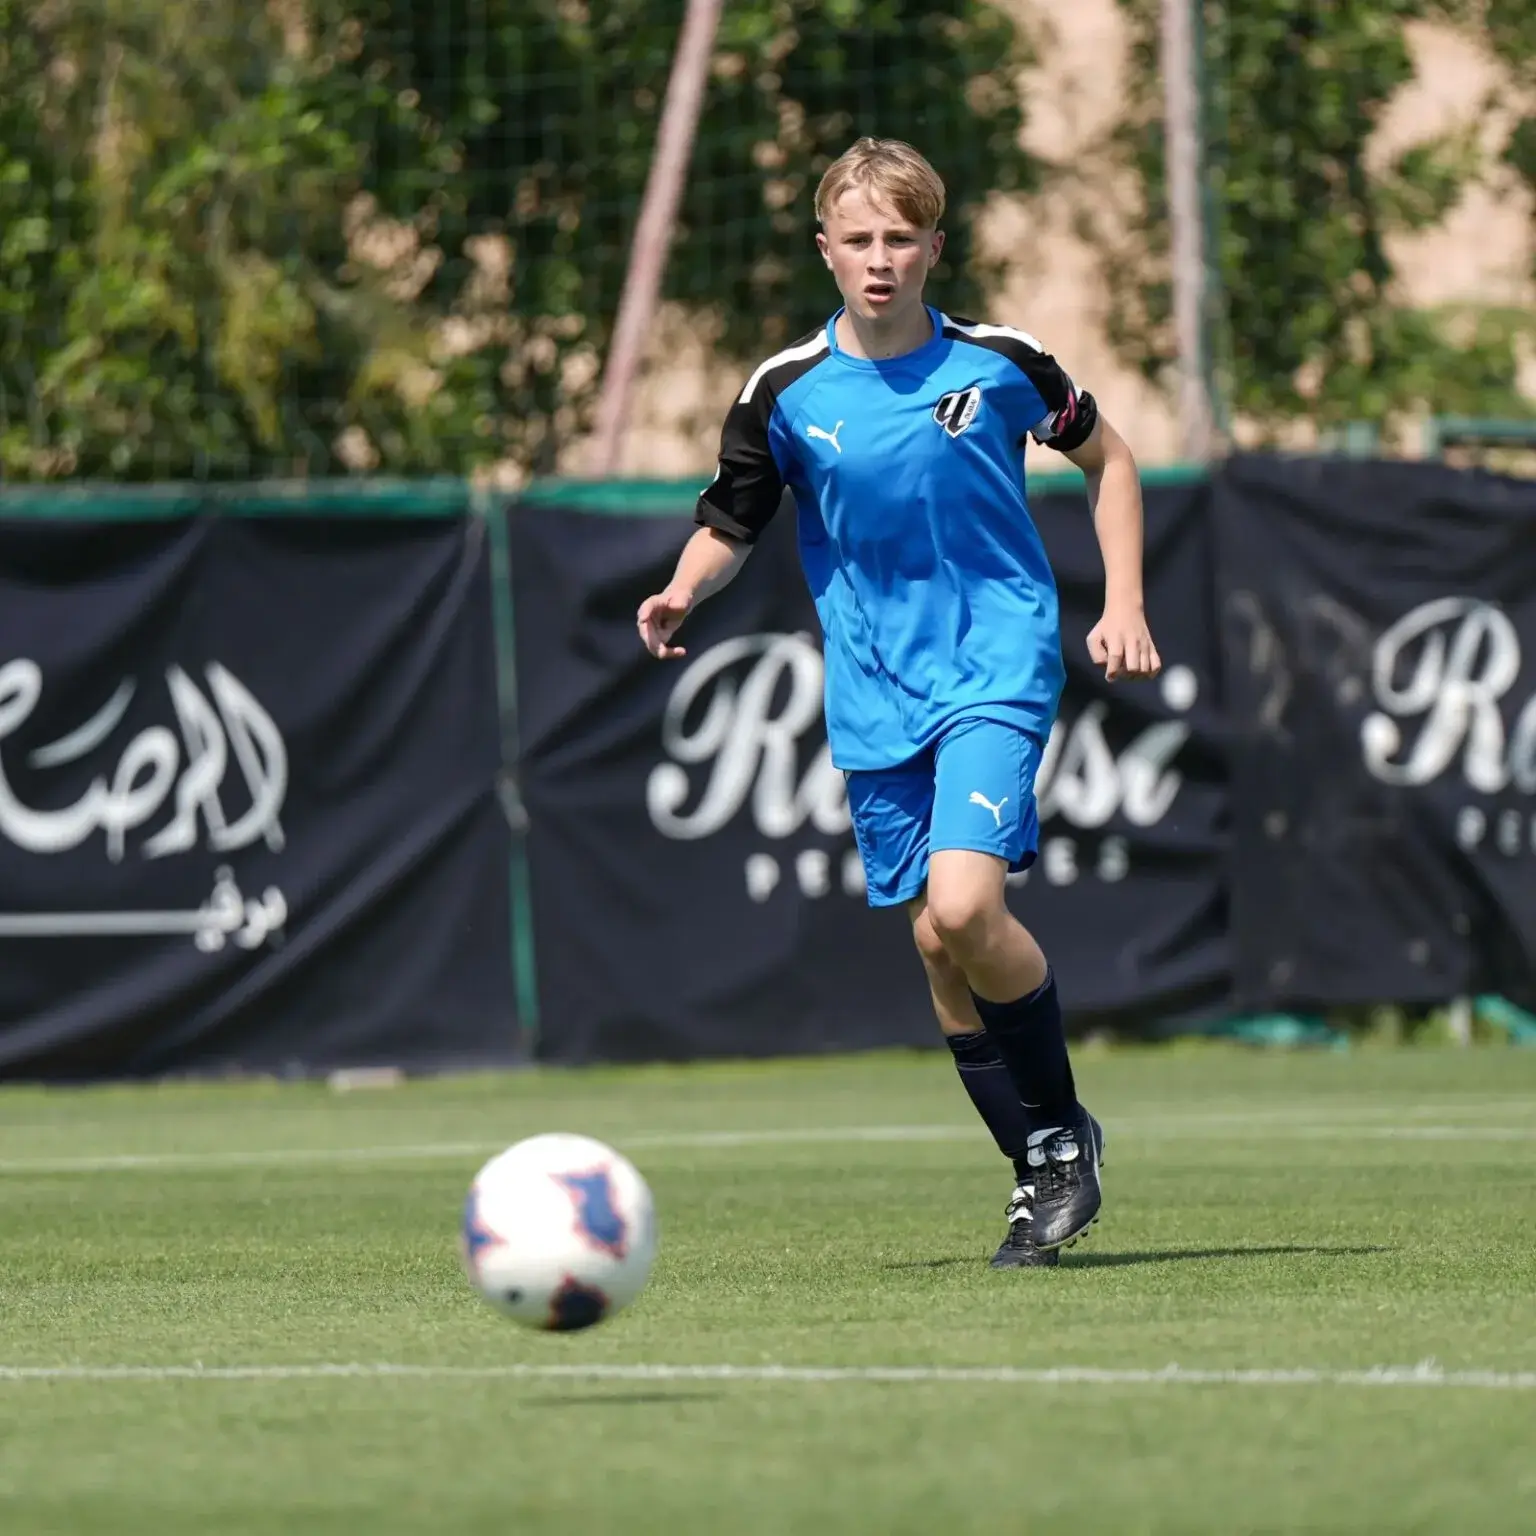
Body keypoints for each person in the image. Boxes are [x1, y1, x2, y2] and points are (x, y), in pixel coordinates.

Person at [636, 137, 1162, 1268]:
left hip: (996, 666)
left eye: (901, 238)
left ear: (936, 246)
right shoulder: (784, 392)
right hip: (876, 694)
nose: (881, 260)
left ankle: (1062, 1143)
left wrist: (1121, 601)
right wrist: (684, 589)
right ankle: (1039, 1167)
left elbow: (1110, 460)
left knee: (967, 907)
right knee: (934, 938)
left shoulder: (1001, 364)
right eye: (859, 240)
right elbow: (732, 519)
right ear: (825, 250)